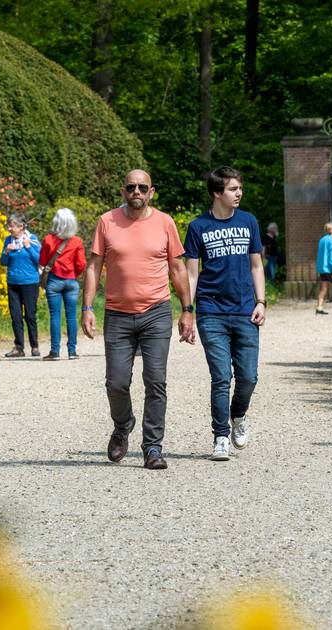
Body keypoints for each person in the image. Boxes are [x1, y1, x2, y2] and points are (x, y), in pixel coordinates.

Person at [81, 169, 195, 470]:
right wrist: (87, 307)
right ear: (123, 191)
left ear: (151, 192)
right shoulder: (107, 221)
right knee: (116, 383)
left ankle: (153, 447)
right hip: (117, 314)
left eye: (142, 187)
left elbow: (178, 269)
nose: (137, 192)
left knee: (155, 381)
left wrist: (187, 310)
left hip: (156, 312)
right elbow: (94, 266)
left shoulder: (165, 223)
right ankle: (123, 425)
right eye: (131, 187)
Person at [184, 167, 267, 462]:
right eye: (233, 189)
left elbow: (256, 265)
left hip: (245, 310)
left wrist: (261, 302)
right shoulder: (198, 227)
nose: (239, 193)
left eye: (239, 188)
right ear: (217, 193)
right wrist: (188, 310)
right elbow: (191, 274)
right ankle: (220, 436)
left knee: (248, 377)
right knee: (221, 377)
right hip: (211, 312)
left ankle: (238, 415)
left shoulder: (249, 221)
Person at [39, 207, 87, 360]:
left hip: (54, 281)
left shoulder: (48, 239)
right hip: (71, 281)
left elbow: (42, 261)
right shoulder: (77, 241)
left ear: (56, 222)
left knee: (55, 316)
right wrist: (73, 275)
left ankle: (55, 352)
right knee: (71, 317)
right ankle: (72, 351)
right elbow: (81, 264)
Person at [0, 213, 41, 357]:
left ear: (21, 227)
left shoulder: (32, 239)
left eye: (12, 226)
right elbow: (3, 262)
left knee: (30, 315)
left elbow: (39, 260)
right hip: (13, 283)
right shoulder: (8, 240)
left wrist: (28, 247)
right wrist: (6, 251)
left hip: (30, 282)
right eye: (9, 226)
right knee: (15, 317)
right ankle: (19, 347)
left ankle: (34, 346)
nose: (9, 229)